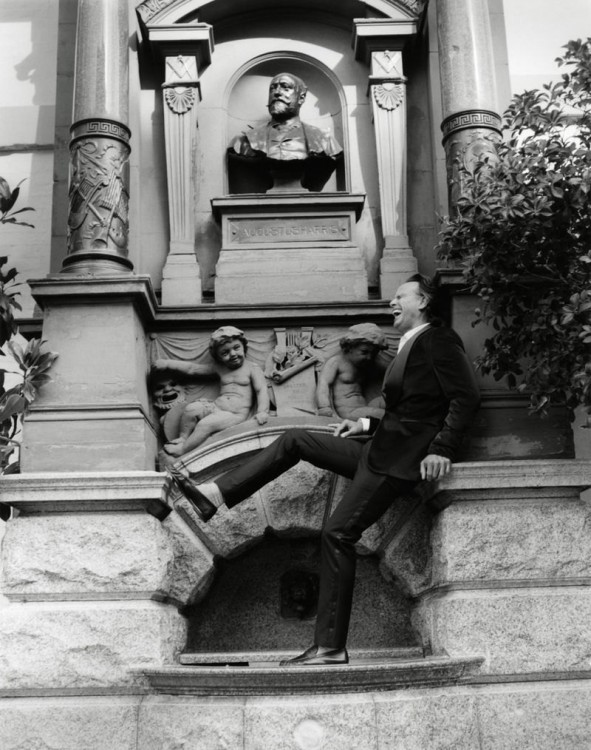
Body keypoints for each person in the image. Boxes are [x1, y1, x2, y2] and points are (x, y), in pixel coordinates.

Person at [178, 276, 480, 667]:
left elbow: (464, 396)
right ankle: (215, 494)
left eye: (400, 296)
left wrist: (442, 449)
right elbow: (409, 411)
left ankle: (330, 647)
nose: (391, 302)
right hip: (377, 449)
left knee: (338, 534)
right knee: (296, 439)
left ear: (422, 301)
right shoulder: (410, 344)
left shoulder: (438, 340)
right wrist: (364, 425)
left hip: (396, 462)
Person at [152, 326, 269, 460]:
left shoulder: (252, 368)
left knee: (205, 424)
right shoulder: (220, 368)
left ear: (244, 347)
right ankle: (183, 437)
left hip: (235, 414)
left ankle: (183, 450)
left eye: (236, 348)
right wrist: (168, 364)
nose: (232, 354)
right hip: (216, 406)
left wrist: (262, 411)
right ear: (218, 357)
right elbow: (192, 369)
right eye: (225, 353)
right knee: (191, 409)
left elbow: (261, 390)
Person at [229, 72, 343, 192]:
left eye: (285, 87)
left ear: (301, 97)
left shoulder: (324, 140)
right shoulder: (245, 141)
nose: (277, 92)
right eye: (273, 88)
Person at [316, 323, 388, 420]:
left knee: (390, 403)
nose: (369, 357)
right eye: (364, 352)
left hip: (364, 407)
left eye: (373, 353)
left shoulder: (365, 364)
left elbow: (389, 370)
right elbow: (324, 383)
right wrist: (324, 407)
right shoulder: (337, 362)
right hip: (349, 411)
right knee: (384, 415)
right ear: (350, 347)